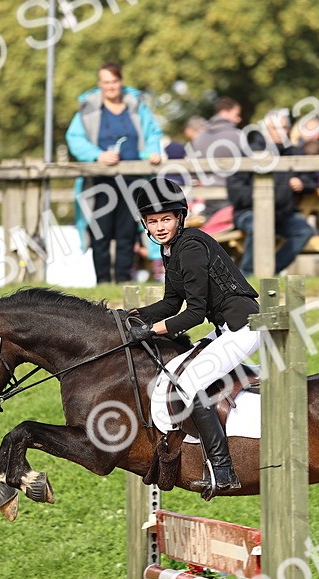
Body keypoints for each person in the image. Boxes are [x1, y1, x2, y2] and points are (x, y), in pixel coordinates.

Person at [126, 178, 259, 500]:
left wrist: (152, 330)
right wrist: (132, 314)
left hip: (245, 327)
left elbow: (194, 314)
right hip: (227, 327)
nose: (159, 227)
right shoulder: (169, 248)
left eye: (166, 219)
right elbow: (171, 303)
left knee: (189, 384)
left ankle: (223, 468)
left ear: (180, 218)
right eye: (152, 221)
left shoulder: (192, 246)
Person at [66, 61, 164, 284]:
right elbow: (74, 138)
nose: (110, 86)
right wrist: (97, 155)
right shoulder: (89, 108)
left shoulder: (137, 106)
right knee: (100, 233)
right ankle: (102, 282)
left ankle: (122, 282)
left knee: (127, 234)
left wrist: (152, 152)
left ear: (121, 82)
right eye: (105, 82)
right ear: (99, 84)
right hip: (100, 182)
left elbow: (153, 133)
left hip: (133, 180)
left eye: (114, 81)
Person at [226, 110, 316, 275]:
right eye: (275, 128)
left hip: (283, 214)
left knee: (304, 231)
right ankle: (247, 275)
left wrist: (303, 183)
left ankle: (269, 272)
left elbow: (314, 179)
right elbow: (235, 190)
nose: (280, 132)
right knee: (259, 224)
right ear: (266, 130)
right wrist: (261, 199)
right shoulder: (249, 152)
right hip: (249, 212)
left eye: (284, 127)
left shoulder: (295, 153)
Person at [187, 97, 244, 218]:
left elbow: (193, 174)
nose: (239, 118)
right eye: (236, 114)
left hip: (208, 201)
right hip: (234, 199)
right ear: (224, 112)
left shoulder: (199, 138)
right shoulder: (239, 136)